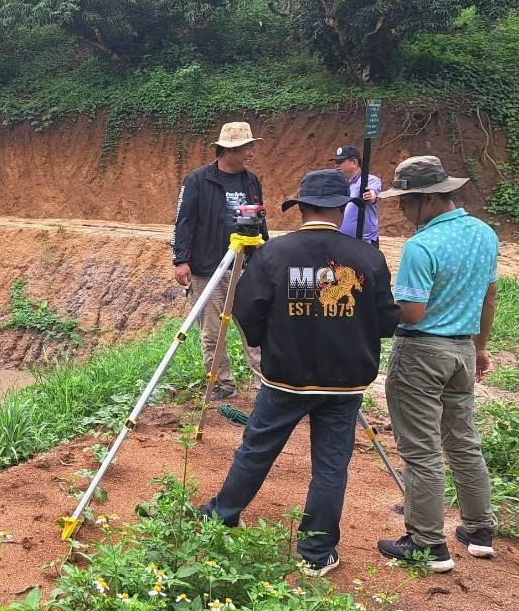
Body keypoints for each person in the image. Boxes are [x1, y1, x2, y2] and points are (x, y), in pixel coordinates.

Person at [199, 169, 400, 576]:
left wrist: (270, 342)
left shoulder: (275, 254)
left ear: (302, 208)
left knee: (257, 448)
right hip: (346, 382)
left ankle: (223, 515)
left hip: (285, 377)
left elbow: (246, 310)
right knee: (331, 465)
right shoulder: (368, 257)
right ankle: (317, 551)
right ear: (342, 209)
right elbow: (385, 322)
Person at [376, 155, 499, 573]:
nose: (401, 208)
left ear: (426, 199)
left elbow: (411, 313)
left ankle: (427, 542)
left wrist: (375, 308)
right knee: (463, 440)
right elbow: (489, 297)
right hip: (463, 350)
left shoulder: (422, 245)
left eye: (404, 200)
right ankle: (479, 530)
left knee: (421, 448)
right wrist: (480, 348)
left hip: (421, 353)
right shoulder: (483, 234)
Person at [173, 121, 269, 400]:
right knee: (212, 333)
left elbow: (259, 220)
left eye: (251, 147)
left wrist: (265, 255)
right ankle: (222, 383)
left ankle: (266, 383)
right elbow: (184, 222)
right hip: (207, 268)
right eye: (246, 147)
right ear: (228, 150)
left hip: (246, 267)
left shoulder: (251, 180)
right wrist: (181, 260)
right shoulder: (197, 180)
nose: (251, 152)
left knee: (255, 327)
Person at [331, 145, 382, 245]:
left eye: (340, 162)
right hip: (342, 241)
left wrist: (371, 196)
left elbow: (372, 193)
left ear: (354, 162)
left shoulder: (369, 180)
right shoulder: (338, 183)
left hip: (364, 243)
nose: (336, 165)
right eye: (336, 162)